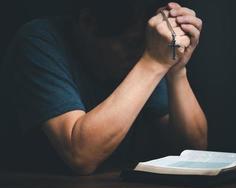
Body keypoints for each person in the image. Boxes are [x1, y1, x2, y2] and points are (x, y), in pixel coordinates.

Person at [0, 1, 207, 175]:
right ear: (88, 22)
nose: (139, 53)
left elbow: (192, 152)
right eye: (131, 43)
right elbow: (81, 155)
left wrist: (176, 68)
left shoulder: (146, 55)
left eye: (147, 46)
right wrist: (153, 61)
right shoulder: (38, 42)